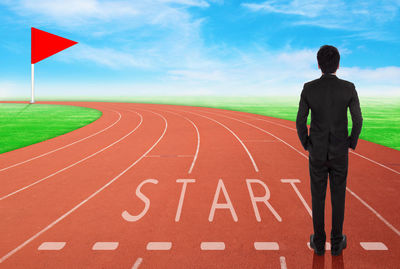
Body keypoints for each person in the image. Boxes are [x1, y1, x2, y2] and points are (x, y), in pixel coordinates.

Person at [296, 45, 363, 256]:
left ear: (318, 65)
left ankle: (318, 242)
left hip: (317, 152)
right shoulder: (349, 88)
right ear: (338, 64)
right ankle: (336, 243)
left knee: (318, 197)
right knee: (338, 196)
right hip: (340, 152)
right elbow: (358, 120)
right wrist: (350, 143)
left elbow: (300, 121)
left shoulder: (309, 88)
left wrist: (307, 143)